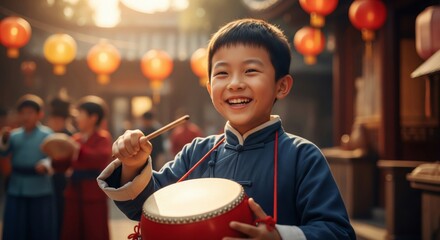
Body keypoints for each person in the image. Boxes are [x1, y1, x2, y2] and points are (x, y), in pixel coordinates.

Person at [98, 18, 356, 239]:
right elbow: (145, 209)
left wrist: (279, 236)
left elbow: (338, 232)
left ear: (282, 86)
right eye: (222, 73)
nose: (235, 84)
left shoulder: (303, 156)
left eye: (250, 70)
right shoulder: (196, 152)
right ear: (210, 88)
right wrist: (133, 164)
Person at [0, 94, 57, 240]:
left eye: (30, 113)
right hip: (17, 185)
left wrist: (45, 164)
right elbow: (4, 151)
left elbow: (54, 157)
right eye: (23, 113)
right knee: (16, 228)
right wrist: (4, 140)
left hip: (40, 187)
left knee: (40, 228)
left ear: (39, 114)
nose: (26, 116)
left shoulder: (47, 134)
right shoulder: (14, 135)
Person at [62, 95, 112, 240]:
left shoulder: (103, 138)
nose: (77, 118)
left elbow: (100, 156)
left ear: (93, 117)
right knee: (72, 231)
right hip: (73, 192)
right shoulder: (75, 139)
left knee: (94, 231)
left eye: (80, 114)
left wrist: (77, 148)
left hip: (93, 194)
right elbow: (64, 163)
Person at [46, 95, 76, 239]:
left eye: (57, 119)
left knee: (63, 215)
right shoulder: (49, 134)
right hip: (49, 180)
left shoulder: (72, 135)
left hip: (65, 181)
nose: (54, 122)